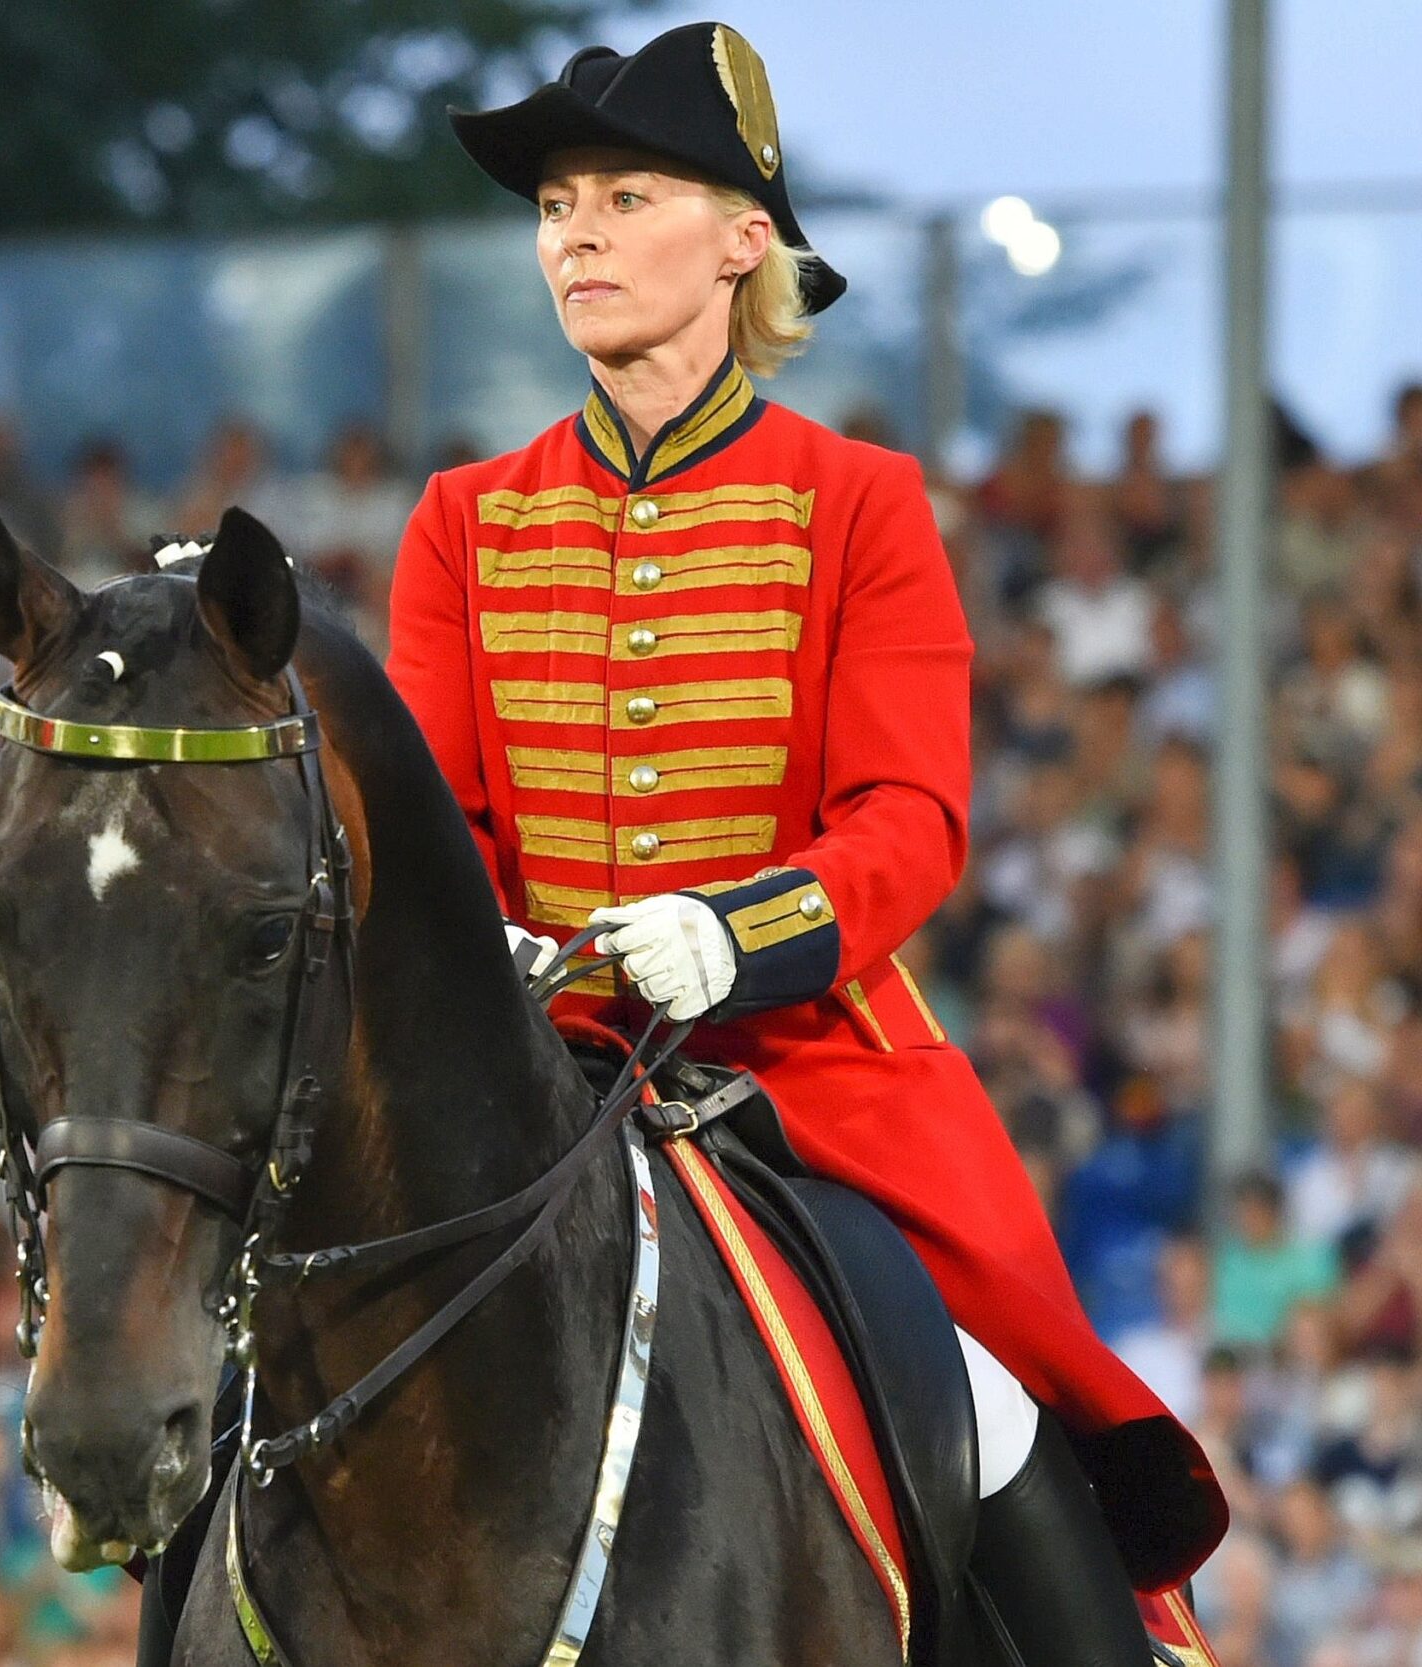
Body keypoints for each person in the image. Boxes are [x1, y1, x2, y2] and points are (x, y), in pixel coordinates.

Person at [373, 22, 1224, 1665]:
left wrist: (739, 930)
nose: (581, 235)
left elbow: (912, 820)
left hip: (801, 1070)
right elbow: (440, 816)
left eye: (627, 195)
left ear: (745, 239)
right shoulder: (464, 520)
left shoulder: (861, 502)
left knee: (983, 1407)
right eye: (558, 204)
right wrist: (465, 934)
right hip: (536, 1069)